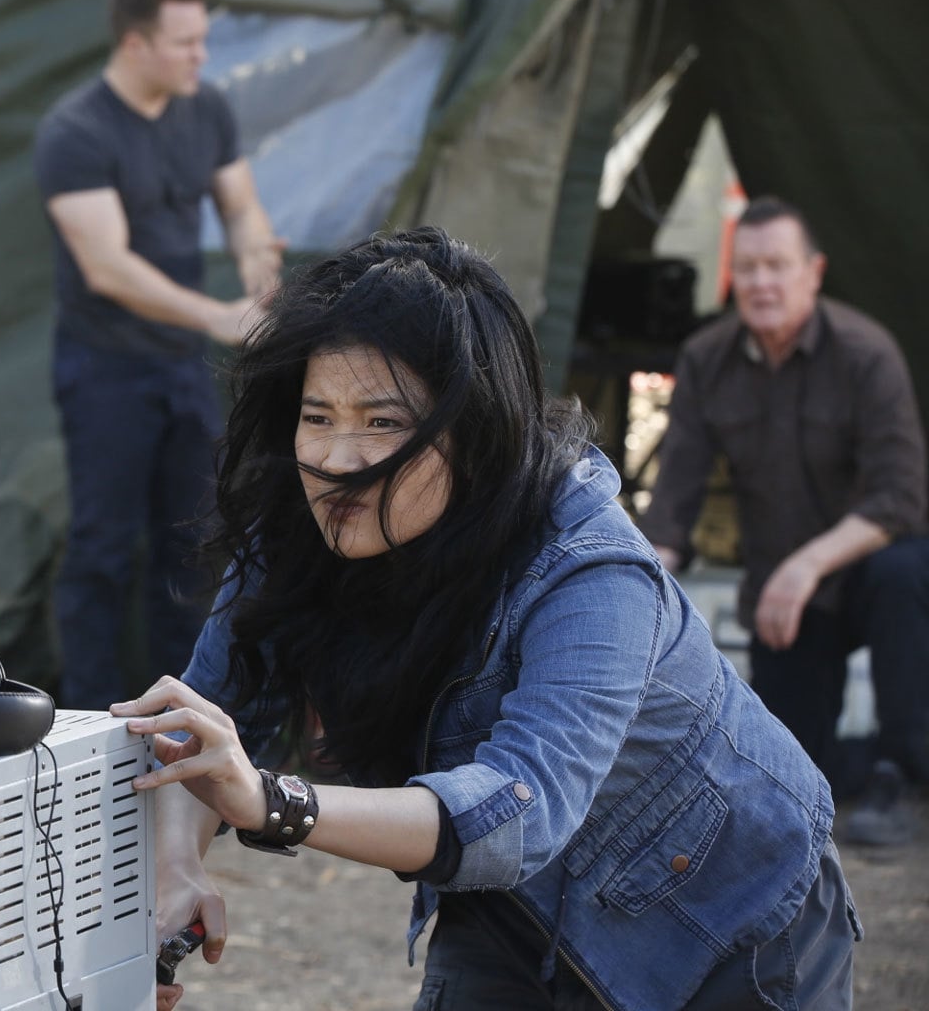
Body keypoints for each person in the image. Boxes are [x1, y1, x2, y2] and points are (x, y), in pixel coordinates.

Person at [112, 227, 858, 1011]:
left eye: (383, 422)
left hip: (729, 919)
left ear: (472, 431)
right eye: (318, 416)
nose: (337, 459)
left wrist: (277, 802)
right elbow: (204, 725)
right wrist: (177, 871)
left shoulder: (592, 570)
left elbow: (517, 815)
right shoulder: (303, 528)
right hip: (511, 913)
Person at [640, 196, 929, 846]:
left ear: (814, 272)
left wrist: (806, 565)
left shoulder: (866, 353)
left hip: (870, 572)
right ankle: (858, 769)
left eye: (777, 265)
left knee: (905, 570)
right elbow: (673, 507)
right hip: (785, 597)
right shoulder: (706, 358)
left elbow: (901, 499)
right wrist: (633, 584)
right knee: (789, 772)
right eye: (747, 268)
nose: (761, 283)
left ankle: (902, 777)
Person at [34, 0, 283, 711]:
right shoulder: (77, 131)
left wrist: (257, 260)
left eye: (203, 40)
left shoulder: (205, 109)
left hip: (183, 368)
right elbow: (107, 266)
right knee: (103, 551)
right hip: (105, 369)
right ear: (136, 44)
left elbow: (240, 205)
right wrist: (216, 316)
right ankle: (87, 716)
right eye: (185, 43)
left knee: (193, 544)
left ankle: (183, 712)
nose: (201, 56)